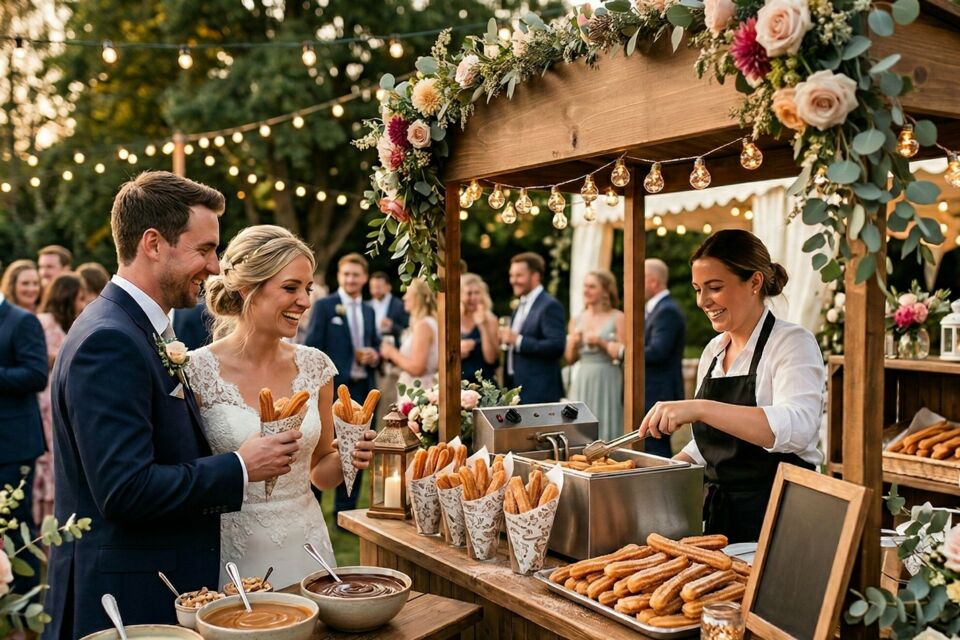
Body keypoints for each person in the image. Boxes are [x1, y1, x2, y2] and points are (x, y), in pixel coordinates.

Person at [44, 171, 302, 639]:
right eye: (203, 250)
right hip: (124, 601)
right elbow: (125, 490)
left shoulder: (137, 327)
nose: (216, 267)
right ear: (154, 244)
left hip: (153, 585)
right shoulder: (110, 340)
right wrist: (239, 467)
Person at [186, 225, 375, 588]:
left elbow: (320, 472)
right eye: (290, 288)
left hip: (305, 544)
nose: (304, 301)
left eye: (307, 289)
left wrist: (349, 455)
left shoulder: (316, 366)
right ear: (247, 289)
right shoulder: (196, 371)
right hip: (229, 554)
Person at [638, 229, 824, 543]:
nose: (702, 301)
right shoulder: (713, 351)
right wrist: (659, 474)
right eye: (698, 289)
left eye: (715, 288)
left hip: (781, 514)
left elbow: (799, 426)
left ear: (754, 282)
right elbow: (710, 445)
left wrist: (700, 408)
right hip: (722, 518)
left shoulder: (792, 342)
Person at [303, 253, 379, 518]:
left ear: (364, 278)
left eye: (356, 274)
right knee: (325, 448)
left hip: (362, 389)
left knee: (356, 450)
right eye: (346, 274)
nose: (351, 279)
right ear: (339, 276)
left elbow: (374, 343)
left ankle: (346, 512)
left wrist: (374, 355)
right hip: (332, 390)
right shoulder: (325, 306)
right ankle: (314, 506)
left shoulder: (369, 310)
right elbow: (312, 345)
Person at [0, 262, 48, 594]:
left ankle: (27, 608)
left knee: (16, 527)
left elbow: (36, 374)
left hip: (13, 444)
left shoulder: (21, 321)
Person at [33, 273, 87, 525]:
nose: (82, 302)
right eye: (79, 297)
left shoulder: (71, 324)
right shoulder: (43, 322)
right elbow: (35, 358)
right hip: (43, 398)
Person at [499, 253, 566, 404]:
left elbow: (556, 346)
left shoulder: (550, 305)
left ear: (535, 276)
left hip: (539, 391)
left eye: (519, 275)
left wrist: (519, 340)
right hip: (515, 388)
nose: (513, 281)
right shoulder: (519, 305)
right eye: (511, 275)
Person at [566, 270, 624, 442]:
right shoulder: (576, 319)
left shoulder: (617, 317)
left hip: (607, 377)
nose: (586, 291)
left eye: (592, 286)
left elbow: (625, 353)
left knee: (606, 422)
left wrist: (601, 342)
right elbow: (570, 359)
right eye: (585, 286)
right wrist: (574, 345)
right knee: (580, 424)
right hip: (583, 376)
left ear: (605, 291)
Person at [642, 258, 687, 458]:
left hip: (659, 391)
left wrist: (621, 352)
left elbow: (658, 352)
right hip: (652, 391)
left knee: (656, 448)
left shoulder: (667, 310)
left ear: (652, 281)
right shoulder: (656, 309)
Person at [380, 277, 439, 391]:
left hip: (419, 390)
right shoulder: (424, 322)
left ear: (418, 297)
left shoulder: (424, 326)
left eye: (408, 293)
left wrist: (391, 352)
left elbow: (417, 368)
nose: (404, 297)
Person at [460, 273, 498, 382]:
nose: (473, 297)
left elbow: (491, 359)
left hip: (484, 383)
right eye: (469, 293)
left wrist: (483, 325)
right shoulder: (452, 319)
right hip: (457, 383)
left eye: (477, 293)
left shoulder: (490, 319)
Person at [368, 271, 409, 343]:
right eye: (373, 287)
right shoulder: (367, 305)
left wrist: (392, 325)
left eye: (378, 287)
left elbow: (408, 331)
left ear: (389, 287)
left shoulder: (400, 305)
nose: (375, 290)